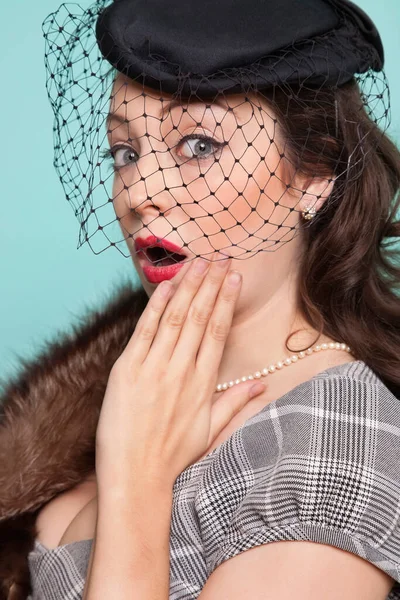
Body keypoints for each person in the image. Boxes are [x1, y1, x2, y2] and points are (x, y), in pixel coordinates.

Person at [1, 0, 400, 598]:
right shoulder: (130, 379)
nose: (138, 191)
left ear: (314, 175)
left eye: (198, 145)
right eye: (125, 151)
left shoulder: (334, 454)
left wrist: (137, 482)